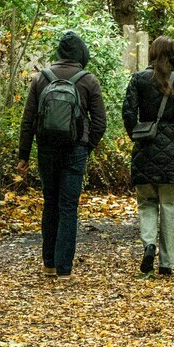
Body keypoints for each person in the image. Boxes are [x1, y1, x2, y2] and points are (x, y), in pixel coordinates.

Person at [17, 31, 107, 281]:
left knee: (50, 203)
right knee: (68, 206)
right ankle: (64, 268)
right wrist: (86, 147)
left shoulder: (40, 79)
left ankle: (49, 265)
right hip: (75, 150)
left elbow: (28, 120)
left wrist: (23, 155)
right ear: (81, 54)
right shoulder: (88, 80)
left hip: (46, 149)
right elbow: (100, 122)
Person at [122, 35, 174, 277]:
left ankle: (149, 245)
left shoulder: (138, 79)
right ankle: (166, 263)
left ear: (151, 54)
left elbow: (127, 112)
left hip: (144, 147)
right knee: (170, 206)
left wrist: (136, 134)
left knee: (146, 203)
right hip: (172, 151)